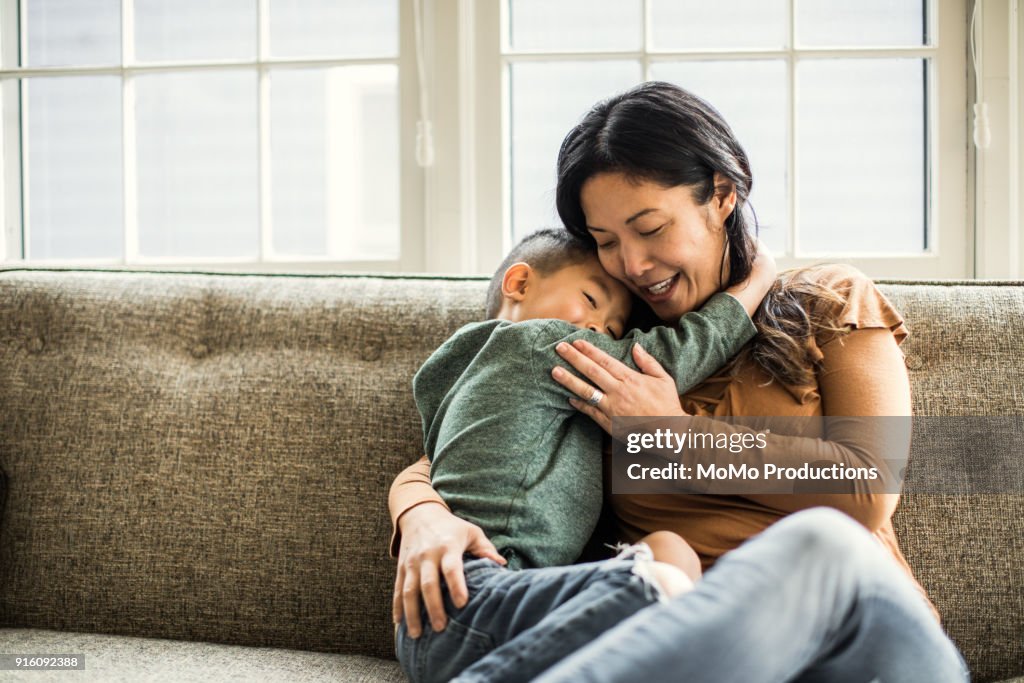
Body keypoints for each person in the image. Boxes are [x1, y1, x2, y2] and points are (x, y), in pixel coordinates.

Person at [390, 81, 969, 682]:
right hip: (694, 661)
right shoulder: (614, 348)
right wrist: (422, 517)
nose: (632, 265)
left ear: (722, 194)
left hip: (862, 646)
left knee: (822, 541)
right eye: (606, 242)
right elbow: (465, 442)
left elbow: (868, 490)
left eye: (650, 228)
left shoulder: (827, 300)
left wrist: (673, 436)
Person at [397, 226, 775, 683]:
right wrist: (753, 283)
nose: (600, 330)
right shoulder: (537, 344)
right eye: (592, 301)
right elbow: (669, 359)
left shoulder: (455, 378)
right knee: (667, 573)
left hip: (450, 616)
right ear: (519, 284)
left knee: (664, 555)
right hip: (478, 593)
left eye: (614, 329)